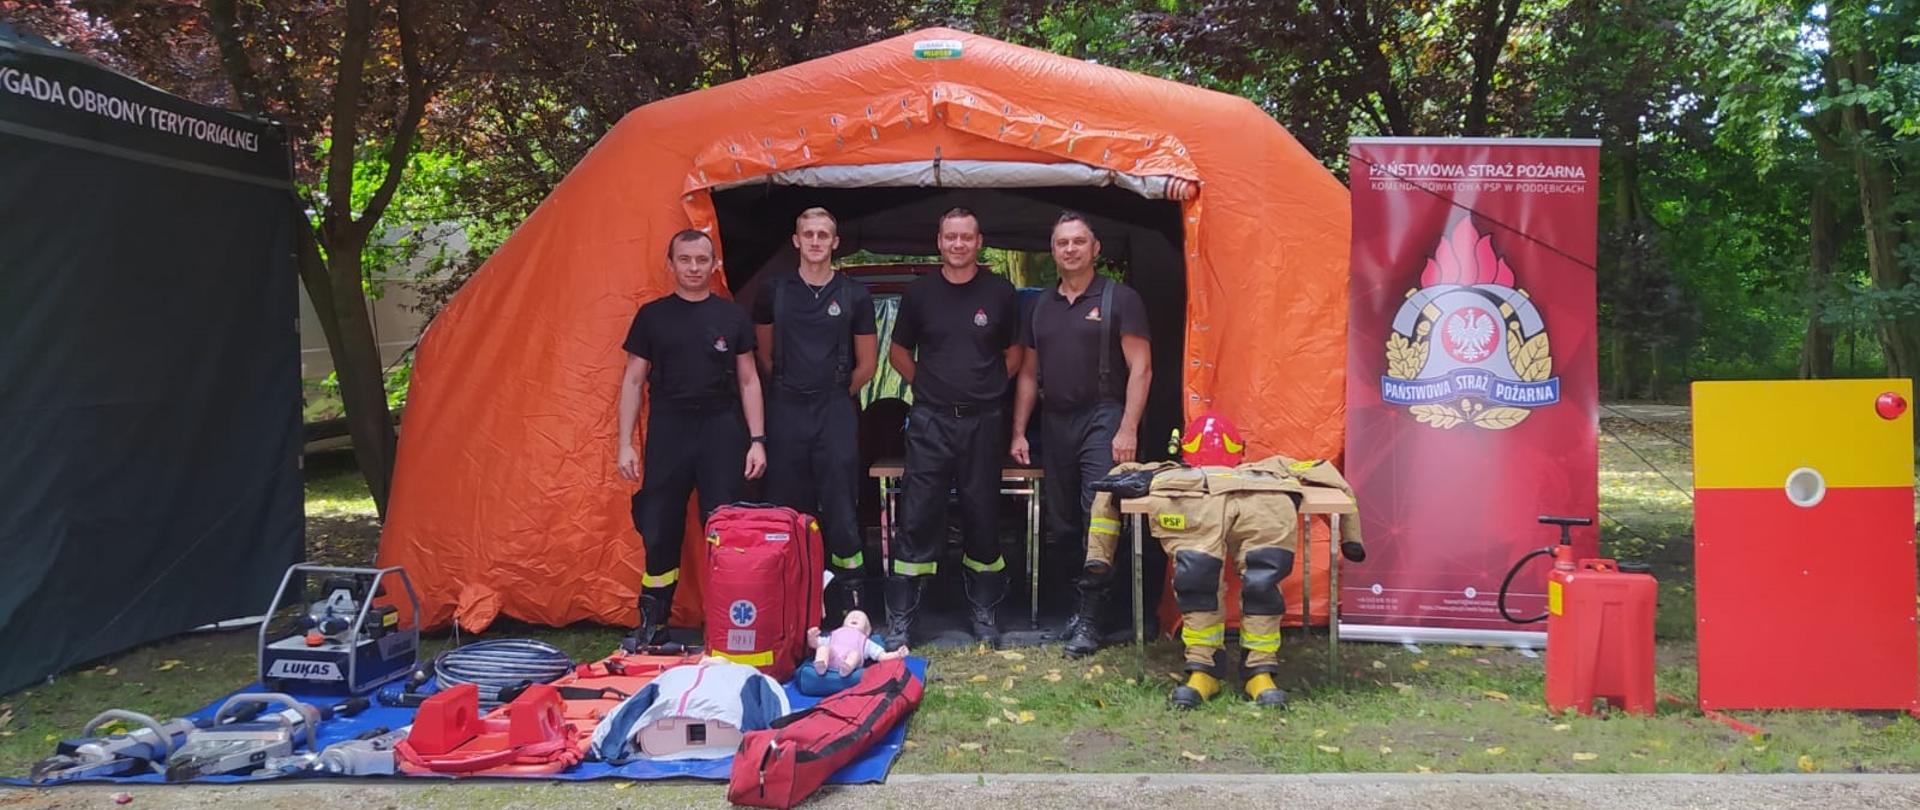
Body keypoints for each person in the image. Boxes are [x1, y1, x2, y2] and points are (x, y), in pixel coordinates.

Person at [1081, 411, 1369, 709]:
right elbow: (1328, 474)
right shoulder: (1272, 467)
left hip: (1206, 507)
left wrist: (1100, 557)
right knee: (1228, 584)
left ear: (1185, 448)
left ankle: (1258, 670)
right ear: (1239, 449)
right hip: (1257, 508)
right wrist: (1351, 540)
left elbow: (1112, 479)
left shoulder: (1165, 471)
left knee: (1236, 584)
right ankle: (1205, 669)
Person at [1009, 211, 1152, 658]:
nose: (1069, 249)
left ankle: (1093, 619)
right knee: (1064, 521)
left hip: (1103, 416)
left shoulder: (1119, 299)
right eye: (1061, 243)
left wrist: (1128, 427)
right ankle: (1076, 608)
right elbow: (1029, 374)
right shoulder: (1039, 306)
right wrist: (1018, 431)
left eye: (1078, 242)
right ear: (1052, 251)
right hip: (1056, 421)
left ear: (1095, 249)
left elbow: (1142, 368)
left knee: (1100, 514)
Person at [616, 229, 767, 650]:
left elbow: (749, 379)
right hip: (670, 428)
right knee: (660, 524)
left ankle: (725, 621)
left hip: (722, 428)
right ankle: (653, 621)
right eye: (685, 260)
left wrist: (758, 440)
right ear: (671, 265)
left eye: (702, 260)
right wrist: (624, 443)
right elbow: (632, 380)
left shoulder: (732, 316)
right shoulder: (652, 317)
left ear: (714, 263)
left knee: (724, 527)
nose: (694, 268)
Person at [885, 207, 1021, 649]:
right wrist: (928, 385)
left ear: (979, 242)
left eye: (966, 237)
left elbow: (1015, 353)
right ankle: (904, 619)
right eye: (950, 237)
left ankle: (984, 614)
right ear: (939, 242)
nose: (958, 244)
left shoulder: (1000, 291)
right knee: (918, 514)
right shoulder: (920, 293)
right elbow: (899, 352)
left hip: (983, 422)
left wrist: (989, 387)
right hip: (930, 421)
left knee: (982, 514)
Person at [753, 207, 878, 624]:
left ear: (835, 242)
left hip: (835, 408)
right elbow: (765, 355)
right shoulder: (774, 292)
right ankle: (792, 601)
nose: (816, 241)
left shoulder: (854, 294)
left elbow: (868, 364)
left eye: (824, 234)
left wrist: (838, 396)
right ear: (796, 240)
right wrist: (792, 389)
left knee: (842, 505)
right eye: (808, 233)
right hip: (787, 407)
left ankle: (854, 602)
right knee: (789, 507)